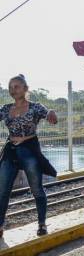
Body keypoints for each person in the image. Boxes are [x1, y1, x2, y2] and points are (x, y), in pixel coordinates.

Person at [0, 75, 57, 237]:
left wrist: (51, 112)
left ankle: (42, 224)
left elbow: (49, 116)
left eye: (17, 87)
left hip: (29, 150)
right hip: (10, 150)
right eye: (11, 87)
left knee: (37, 189)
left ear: (25, 89)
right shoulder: (5, 109)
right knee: (2, 191)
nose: (13, 90)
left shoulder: (35, 107)